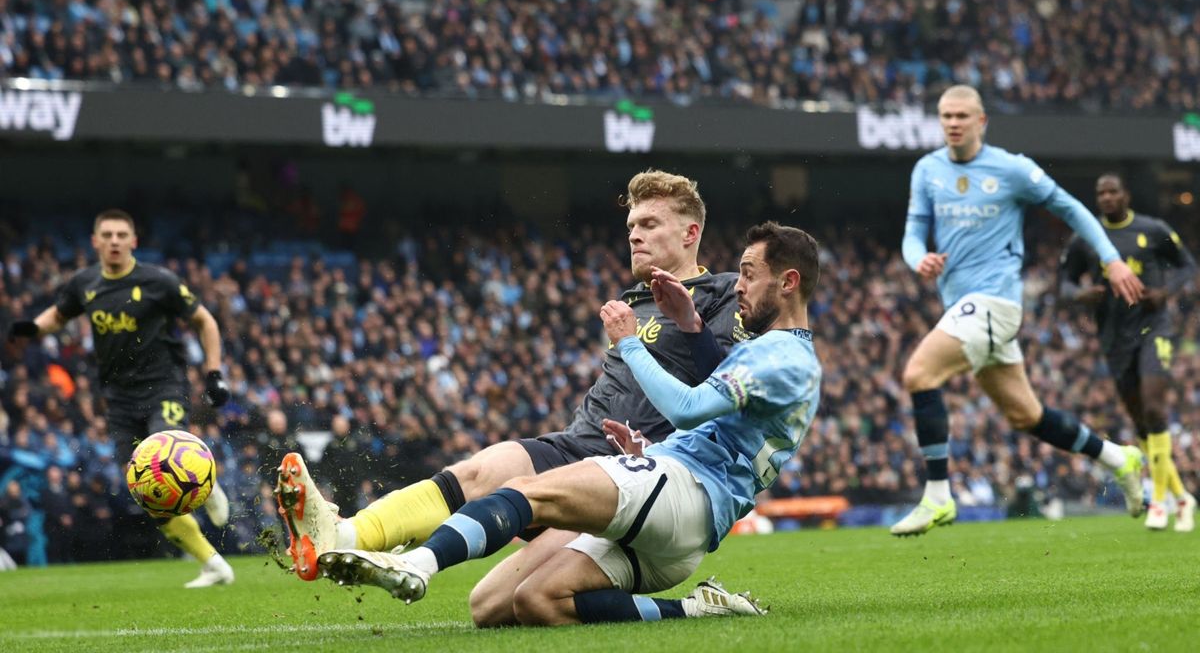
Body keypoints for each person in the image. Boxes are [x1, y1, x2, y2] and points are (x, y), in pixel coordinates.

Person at [318, 222, 820, 627]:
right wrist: (644, 445)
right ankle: (691, 608)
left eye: (749, 274)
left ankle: (417, 564)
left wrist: (628, 343)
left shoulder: (779, 352)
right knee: (513, 603)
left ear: (788, 281)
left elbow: (689, 408)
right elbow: (725, 433)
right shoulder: (780, 356)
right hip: (683, 515)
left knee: (525, 489)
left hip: (685, 494)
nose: (738, 286)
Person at [276, 171, 746, 580]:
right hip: (578, 444)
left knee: (512, 601)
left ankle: (691, 606)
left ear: (690, 233)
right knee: (482, 469)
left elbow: (723, 389)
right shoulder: (634, 298)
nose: (634, 236)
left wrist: (690, 324)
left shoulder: (721, 293)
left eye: (648, 224)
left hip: (643, 471)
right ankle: (344, 534)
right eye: (630, 227)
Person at [891, 85, 1147, 536]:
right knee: (1026, 416)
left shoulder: (1011, 169)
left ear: (981, 121)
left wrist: (1110, 259)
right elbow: (913, 233)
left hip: (995, 303)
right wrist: (919, 260)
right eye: (946, 115)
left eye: (962, 116)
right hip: (964, 307)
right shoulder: (927, 170)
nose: (953, 123)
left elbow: (1072, 210)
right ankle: (1118, 458)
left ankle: (937, 496)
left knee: (918, 374)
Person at [5, 209, 235, 586]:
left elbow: (204, 320)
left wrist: (214, 373)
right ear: (95, 241)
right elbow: (59, 317)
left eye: (121, 234)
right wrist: (29, 327)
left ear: (133, 241)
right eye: (107, 235)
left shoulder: (158, 280)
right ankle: (212, 563)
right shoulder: (85, 283)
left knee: (163, 450)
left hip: (163, 386)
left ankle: (205, 483)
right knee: (142, 484)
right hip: (118, 398)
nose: (114, 241)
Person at [1059, 173, 1197, 531]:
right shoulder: (1086, 237)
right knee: (1141, 423)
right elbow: (1065, 282)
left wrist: (1165, 293)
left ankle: (1161, 502)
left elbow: (1187, 266)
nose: (1106, 198)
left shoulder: (1152, 229)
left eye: (1112, 191)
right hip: (1114, 336)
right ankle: (1182, 498)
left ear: (1126, 195)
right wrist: (1079, 295)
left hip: (1154, 328)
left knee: (1154, 408)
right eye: (1100, 192)